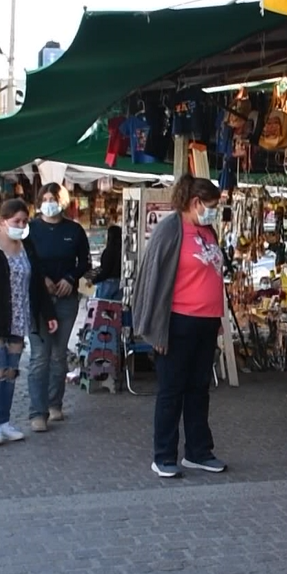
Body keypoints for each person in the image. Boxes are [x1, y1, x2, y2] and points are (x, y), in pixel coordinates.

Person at [132, 173, 229, 478]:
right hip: (177, 321)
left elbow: (212, 275)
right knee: (172, 390)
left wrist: (218, 318)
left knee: (199, 389)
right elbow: (153, 279)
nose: (213, 212)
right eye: (210, 206)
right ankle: (164, 455)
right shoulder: (171, 230)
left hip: (206, 322)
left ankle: (199, 451)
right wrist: (156, 329)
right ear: (195, 202)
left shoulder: (208, 231)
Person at [0, 199, 57, 446]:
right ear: (3, 221)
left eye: (25, 221)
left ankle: (4, 421)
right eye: (17, 221)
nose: (21, 226)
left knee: (11, 372)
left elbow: (37, 283)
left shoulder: (27, 246)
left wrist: (48, 314)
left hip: (19, 317)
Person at [25, 183, 90, 430]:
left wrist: (70, 278)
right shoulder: (30, 229)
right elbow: (25, 259)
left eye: (53, 199)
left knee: (58, 355)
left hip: (66, 298)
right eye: (45, 198)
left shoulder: (74, 230)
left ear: (62, 202)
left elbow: (84, 261)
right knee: (40, 356)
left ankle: (55, 404)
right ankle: (37, 412)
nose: (49, 203)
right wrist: (41, 279)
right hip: (38, 300)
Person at [90, 224, 122, 299]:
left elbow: (105, 272)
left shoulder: (108, 251)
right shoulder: (121, 250)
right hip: (118, 283)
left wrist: (93, 280)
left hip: (107, 284)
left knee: (103, 304)